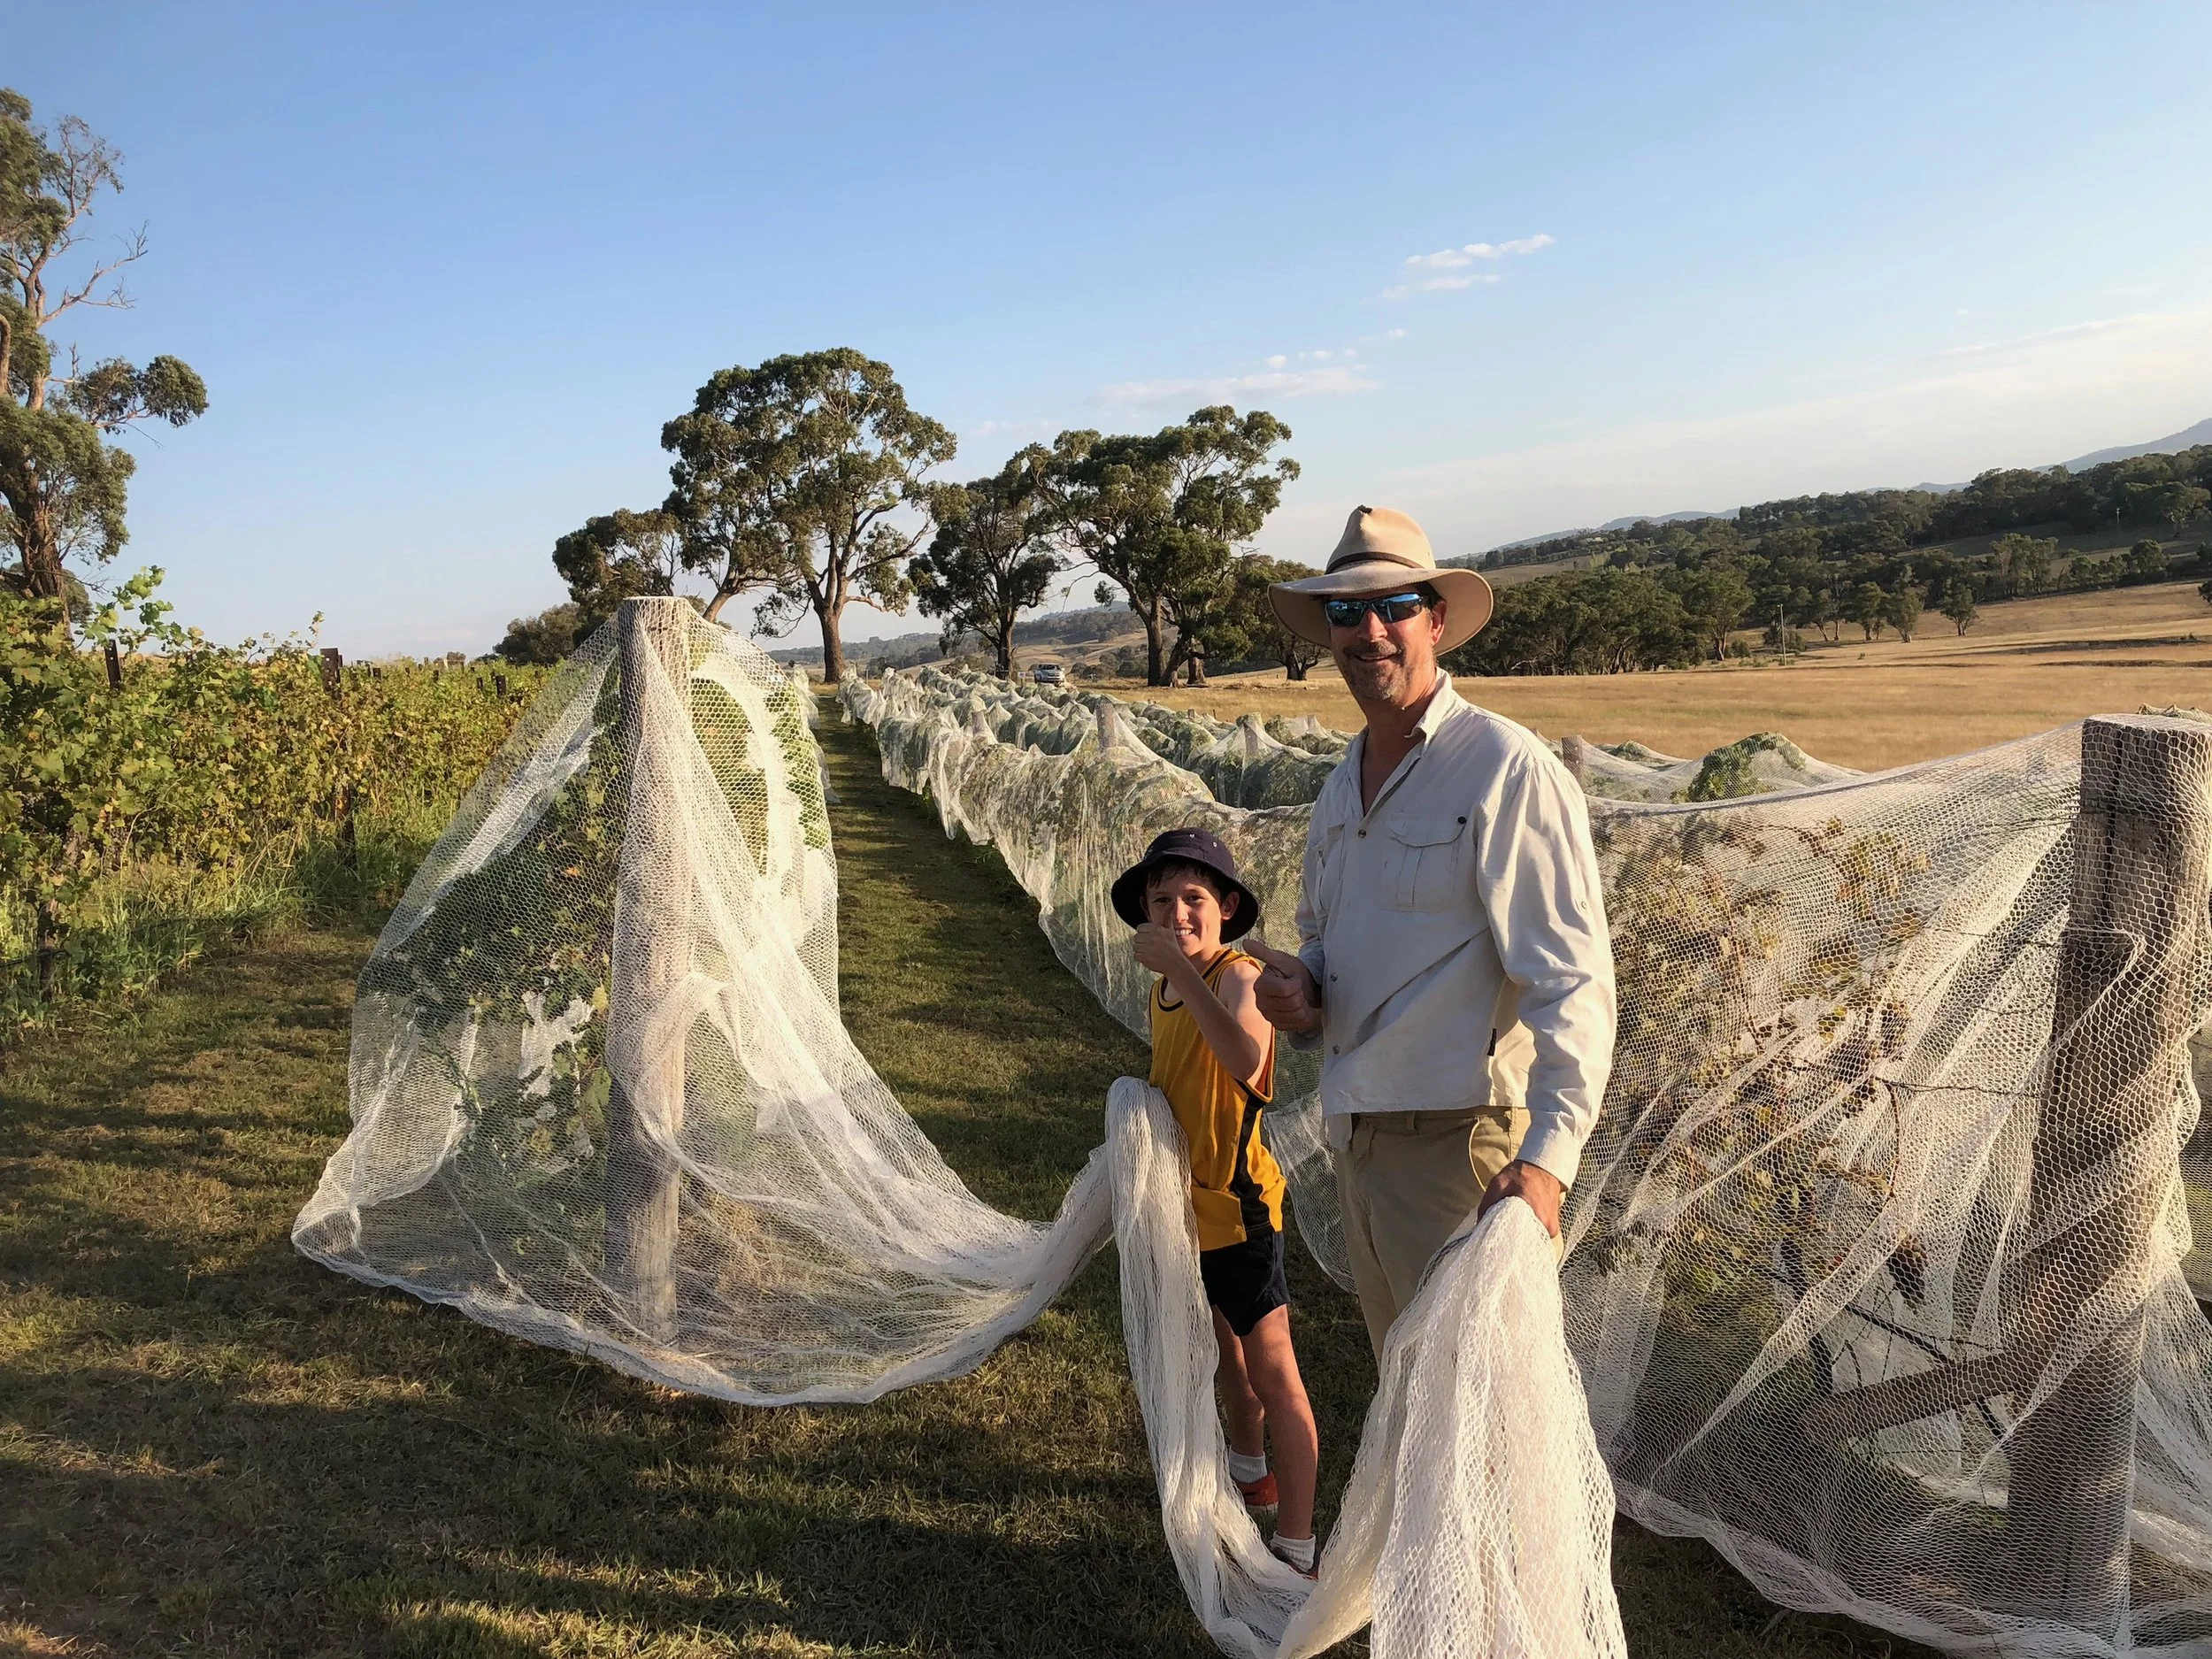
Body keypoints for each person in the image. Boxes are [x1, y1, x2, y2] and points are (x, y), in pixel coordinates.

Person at [1248, 505, 1617, 1362]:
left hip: (1467, 1152)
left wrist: (1546, 1162)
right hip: (1360, 1146)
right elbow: (1325, 942)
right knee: (1409, 1415)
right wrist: (1304, 992)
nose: (1368, 630)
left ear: (1436, 620)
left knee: (1477, 1426)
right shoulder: (1342, 786)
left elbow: (1572, 977)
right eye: (1344, 611)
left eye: (1394, 605)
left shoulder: (1502, 766)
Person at [1112, 827, 1322, 1578]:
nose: (1176, 915)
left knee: (1273, 1369)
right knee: (1223, 1351)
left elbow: (1245, 1059)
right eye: (1161, 900)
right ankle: (1249, 1468)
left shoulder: (1234, 977)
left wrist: (1186, 972)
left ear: (1227, 908)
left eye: (1193, 899)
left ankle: (1296, 1546)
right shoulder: (1164, 988)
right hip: (1187, 1208)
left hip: (1241, 1213)